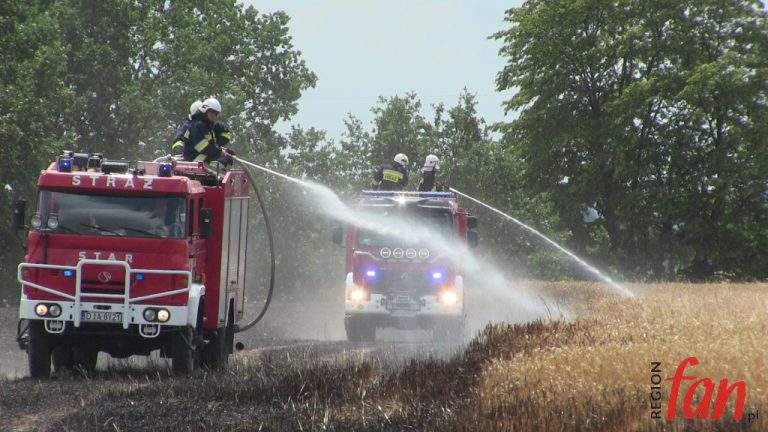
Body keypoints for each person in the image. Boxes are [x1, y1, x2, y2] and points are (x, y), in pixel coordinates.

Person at [176, 98, 232, 166]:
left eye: (216, 113)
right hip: (193, 159)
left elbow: (211, 145)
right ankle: (212, 175)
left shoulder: (206, 125)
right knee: (224, 162)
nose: (214, 115)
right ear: (205, 111)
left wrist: (222, 150)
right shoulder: (197, 125)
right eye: (212, 112)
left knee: (228, 158)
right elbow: (203, 147)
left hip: (199, 156)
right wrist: (220, 152)